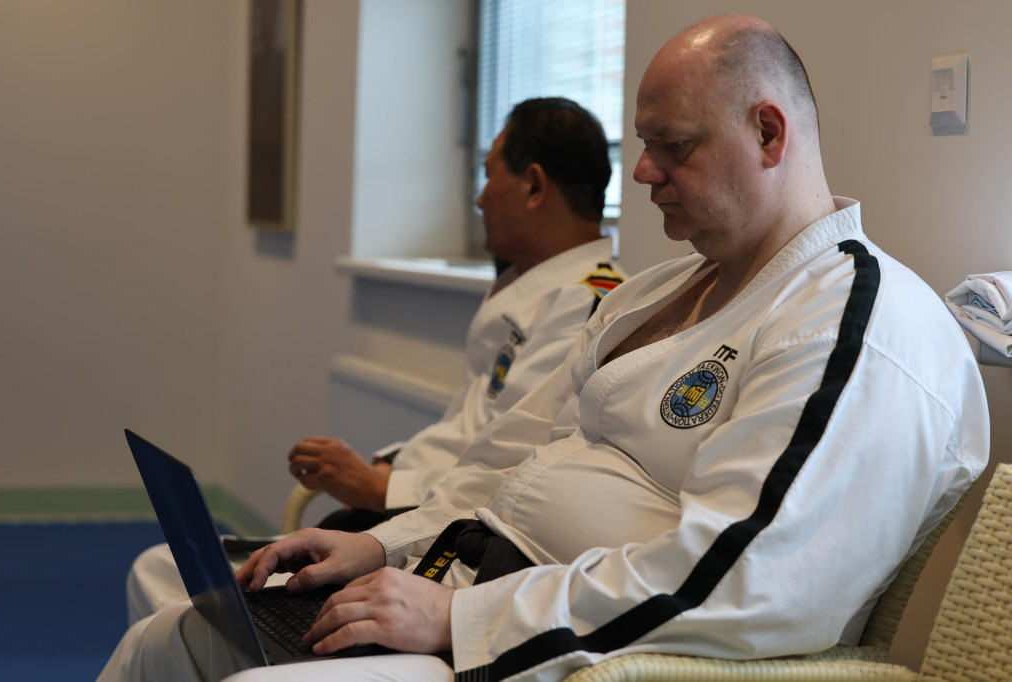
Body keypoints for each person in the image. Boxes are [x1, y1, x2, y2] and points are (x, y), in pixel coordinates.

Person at [101, 14, 989, 682]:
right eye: (643, 145)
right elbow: (512, 458)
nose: (642, 173)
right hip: (468, 579)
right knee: (171, 639)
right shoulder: (651, 294)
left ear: (768, 132)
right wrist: (387, 546)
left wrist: (462, 619)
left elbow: (748, 582)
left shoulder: (857, 323)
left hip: (554, 649)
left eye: (672, 147)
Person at [123, 97, 625, 623]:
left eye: (488, 175)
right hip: (412, 510)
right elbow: (470, 433)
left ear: (534, 186)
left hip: (443, 538)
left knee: (179, 594)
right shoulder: (532, 291)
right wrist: (382, 470)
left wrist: (377, 486)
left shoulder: (589, 308)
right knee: (166, 573)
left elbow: (509, 472)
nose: (479, 198)